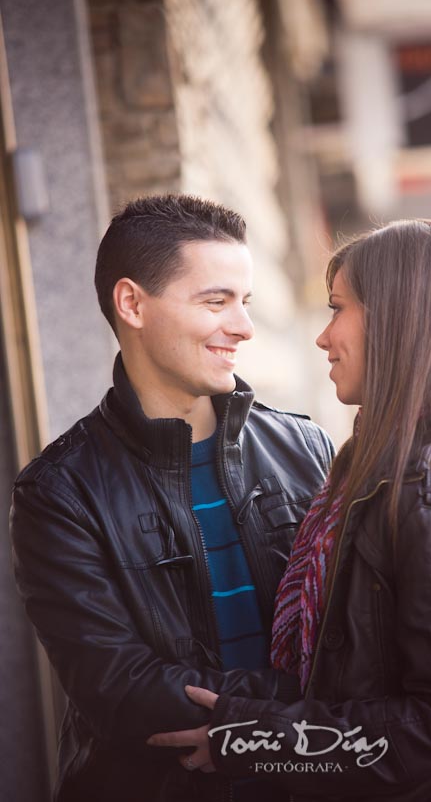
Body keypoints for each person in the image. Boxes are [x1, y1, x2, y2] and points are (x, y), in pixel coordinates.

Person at [148, 220, 431, 802]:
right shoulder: (368, 468)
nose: (322, 336)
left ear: (398, 320)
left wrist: (259, 744)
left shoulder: (424, 498)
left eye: (337, 308)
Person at [10, 194, 334, 802]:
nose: (242, 326)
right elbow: (122, 690)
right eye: (216, 301)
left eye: (244, 301)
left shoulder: (307, 449)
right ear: (132, 303)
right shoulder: (57, 493)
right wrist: (322, 711)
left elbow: (381, 616)